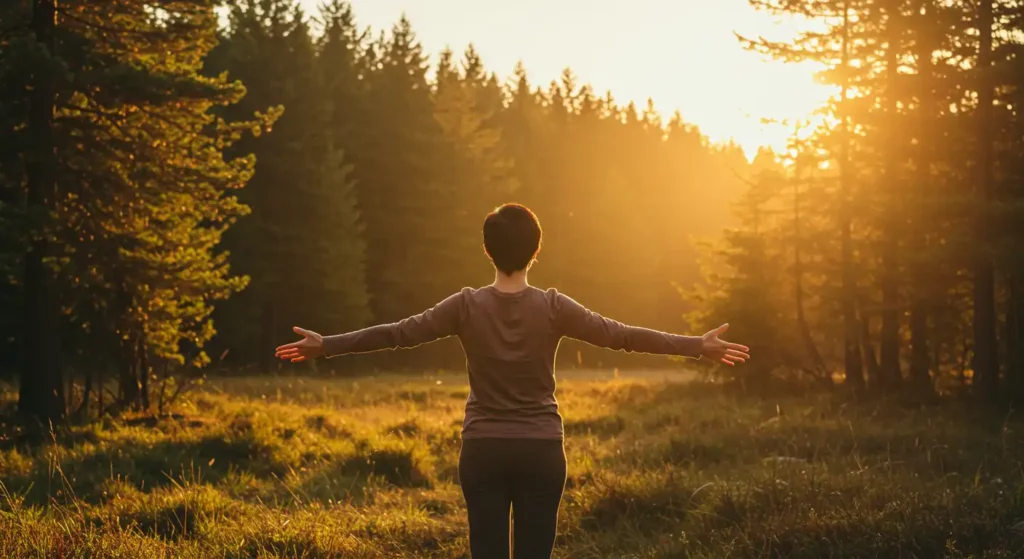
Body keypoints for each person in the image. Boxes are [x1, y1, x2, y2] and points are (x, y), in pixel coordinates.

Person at [274, 203, 750, 559]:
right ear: (536, 249)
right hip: (542, 449)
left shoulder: (464, 305)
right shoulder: (553, 305)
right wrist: (696, 345)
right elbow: (622, 337)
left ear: (487, 249)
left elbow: (397, 334)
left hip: (482, 449)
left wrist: (327, 344)